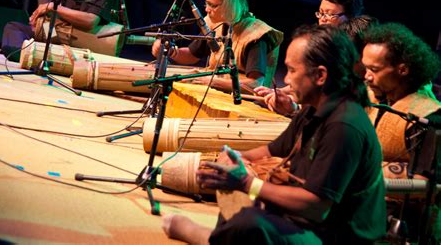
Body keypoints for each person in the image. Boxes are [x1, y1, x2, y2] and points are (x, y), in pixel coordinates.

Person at [162, 24, 387, 244]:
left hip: (336, 235)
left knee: (251, 224)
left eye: (291, 70)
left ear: (320, 75)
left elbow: (315, 205)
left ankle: (202, 236)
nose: (286, 80)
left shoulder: (345, 126)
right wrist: (237, 158)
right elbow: (272, 150)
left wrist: (248, 183)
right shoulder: (312, 109)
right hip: (310, 222)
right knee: (246, 210)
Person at [362, 22, 441, 241]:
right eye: (365, 68)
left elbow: (424, 185)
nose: (367, 76)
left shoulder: (427, 117)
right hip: (366, 204)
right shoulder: (371, 98)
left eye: (375, 70)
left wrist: (371, 181)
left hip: (401, 223)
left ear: (403, 69)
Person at [151, 0, 284, 92]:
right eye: (206, 3)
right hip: (215, 93)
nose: (207, 10)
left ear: (231, 5)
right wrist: (171, 51)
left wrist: (212, 82)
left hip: (242, 104)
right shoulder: (214, 23)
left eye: (213, 5)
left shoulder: (256, 35)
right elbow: (192, 55)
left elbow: (255, 84)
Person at [255, 0, 365, 113]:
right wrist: (280, 91)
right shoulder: (321, 43)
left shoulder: (353, 49)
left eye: (330, 15)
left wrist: (294, 107)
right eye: (321, 13)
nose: (323, 20)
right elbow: (309, 80)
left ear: (351, 17)